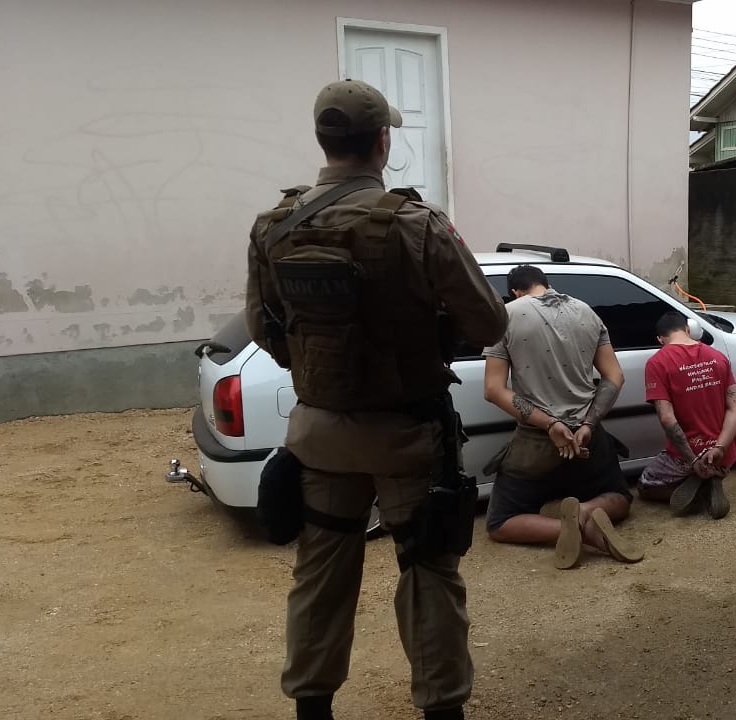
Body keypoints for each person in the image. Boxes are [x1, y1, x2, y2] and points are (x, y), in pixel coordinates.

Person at [245, 79, 508, 720]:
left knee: (321, 571)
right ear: (383, 141)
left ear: (322, 140)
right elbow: (489, 323)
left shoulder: (274, 226)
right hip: (406, 436)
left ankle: (312, 710)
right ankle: (441, 709)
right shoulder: (417, 224)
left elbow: (263, 327)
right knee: (427, 572)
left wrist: (318, 371)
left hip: (320, 435)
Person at [481, 265, 644, 569]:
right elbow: (614, 378)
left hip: (537, 442)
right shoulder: (586, 312)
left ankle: (570, 528)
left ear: (514, 292)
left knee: (500, 522)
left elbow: (493, 390)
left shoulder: (506, 317)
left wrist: (551, 423)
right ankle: (588, 511)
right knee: (620, 498)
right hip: (588, 438)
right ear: (547, 283)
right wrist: (588, 424)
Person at [639, 311, 736, 519]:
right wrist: (719, 448)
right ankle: (713, 475)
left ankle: (701, 488)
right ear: (688, 330)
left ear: (660, 339)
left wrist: (693, 460)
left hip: (689, 455)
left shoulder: (657, 363)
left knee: (645, 484)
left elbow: (667, 418)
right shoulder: (717, 357)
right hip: (723, 455)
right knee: (713, 457)